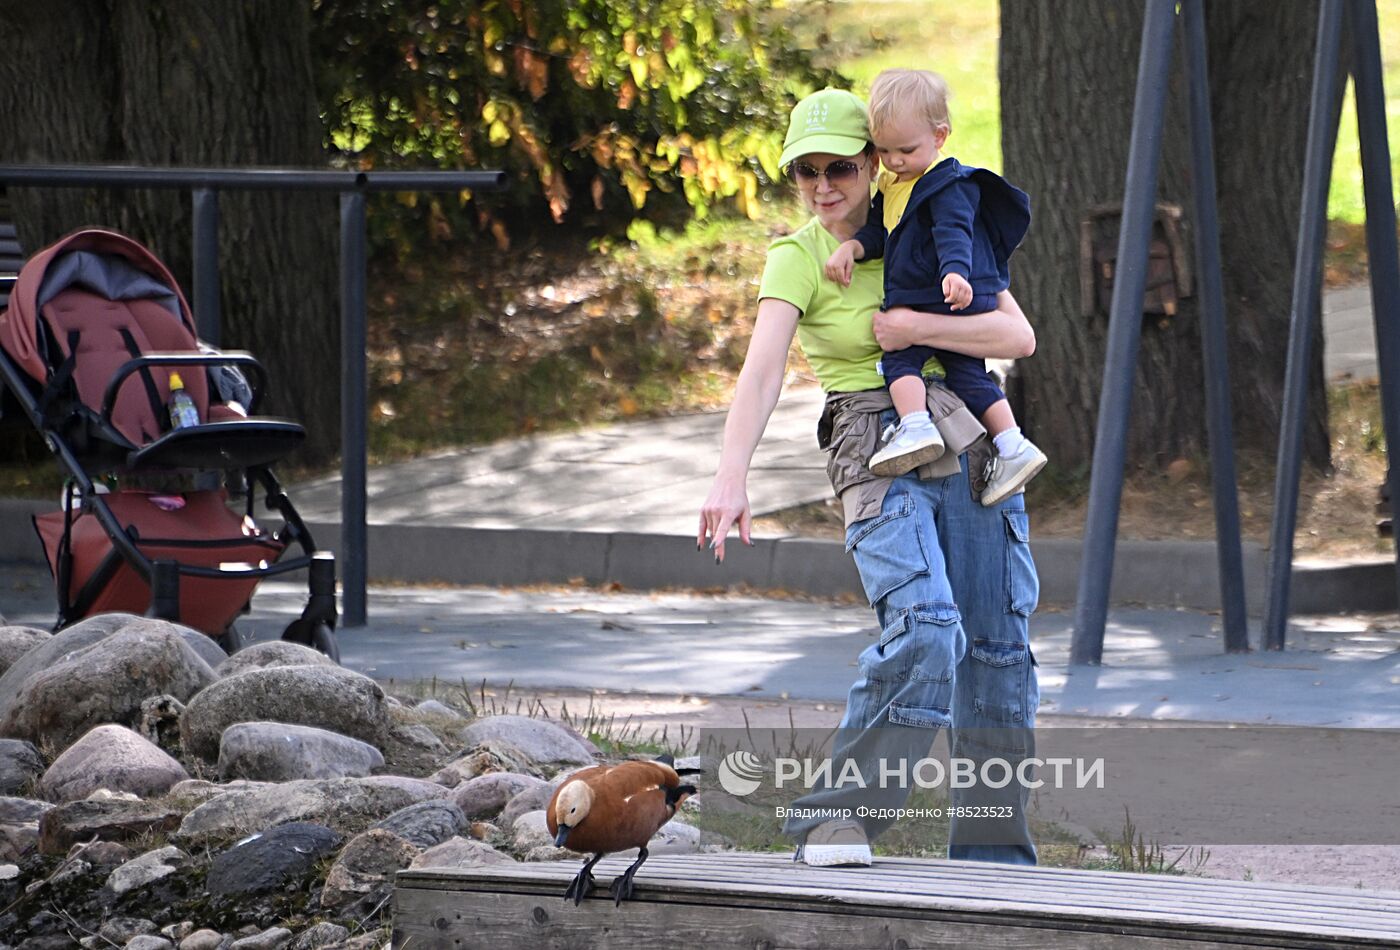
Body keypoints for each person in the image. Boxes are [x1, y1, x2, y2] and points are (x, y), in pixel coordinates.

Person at [698, 87, 1041, 868]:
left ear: (878, 160)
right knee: (926, 626)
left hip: (967, 425)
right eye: (805, 172)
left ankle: (993, 867)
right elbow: (759, 375)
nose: (824, 186)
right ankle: (838, 815)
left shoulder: (931, 217)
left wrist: (914, 326)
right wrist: (730, 474)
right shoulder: (797, 256)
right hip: (873, 438)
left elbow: (1015, 334)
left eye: (842, 168)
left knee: (996, 652)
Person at [824, 69, 1047, 506]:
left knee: (900, 357)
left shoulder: (947, 184)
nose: (895, 160)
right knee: (968, 374)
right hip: (945, 292)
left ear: (940, 135)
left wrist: (955, 272)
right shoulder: (893, 186)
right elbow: (880, 233)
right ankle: (1013, 446)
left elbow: (954, 231)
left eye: (906, 150)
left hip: (943, 291)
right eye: (884, 151)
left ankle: (915, 426)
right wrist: (852, 247)